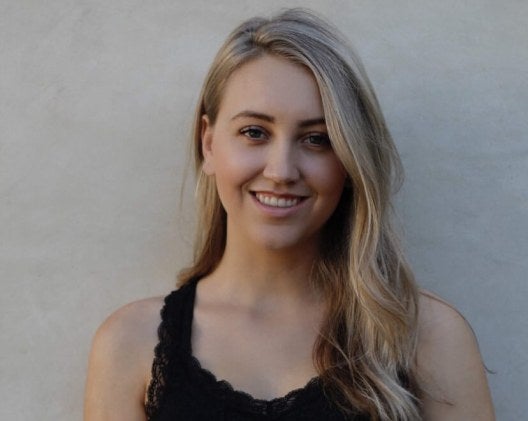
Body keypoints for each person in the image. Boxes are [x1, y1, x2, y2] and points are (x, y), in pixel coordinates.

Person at [84, 8, 494, 421]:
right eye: (254, 132)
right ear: (208, 144)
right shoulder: (130, 345)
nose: (281, 171)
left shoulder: (428, 338)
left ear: (351, 161)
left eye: (317, 139)